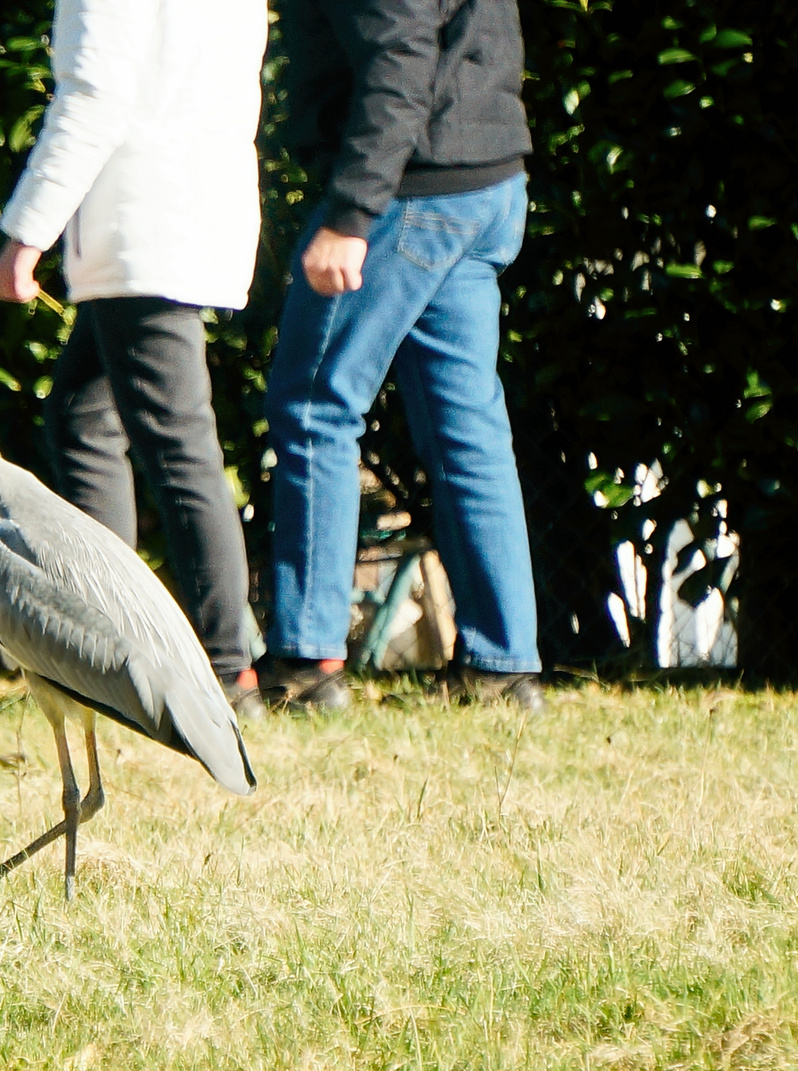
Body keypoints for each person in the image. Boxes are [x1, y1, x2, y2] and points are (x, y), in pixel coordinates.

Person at [0, 0, 271, 716]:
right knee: (86, 423)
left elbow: (93, 96)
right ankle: (118, 647)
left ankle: (219, 669)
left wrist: (25, 235)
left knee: (173, 444)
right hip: (189, 213)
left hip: (138, 224)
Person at [264, 0, 545, 711]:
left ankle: (308, 660)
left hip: (409, 189)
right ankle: (501, 667)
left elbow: (399, 63)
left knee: (313, 405)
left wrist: (350, 215)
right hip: (486, 177)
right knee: (466, 427)